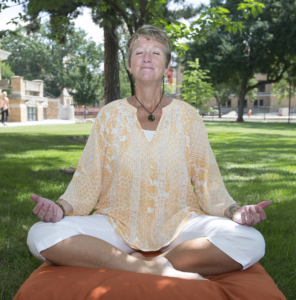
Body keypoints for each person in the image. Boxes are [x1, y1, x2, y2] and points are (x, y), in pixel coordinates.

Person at [27, 25, 270, 281]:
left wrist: (234, 211)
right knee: (40, 234)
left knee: (251, 240)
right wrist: (60, 209)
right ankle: (145, 268)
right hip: (116, 223)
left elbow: (207, 180)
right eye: (139, 52)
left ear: (166, 68)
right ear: (130, 66)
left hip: (180, 223)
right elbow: (88, 178)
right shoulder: (110, 115)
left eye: (155, 52)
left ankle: (155, 264)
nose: (146, 57)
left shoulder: (188, 116)